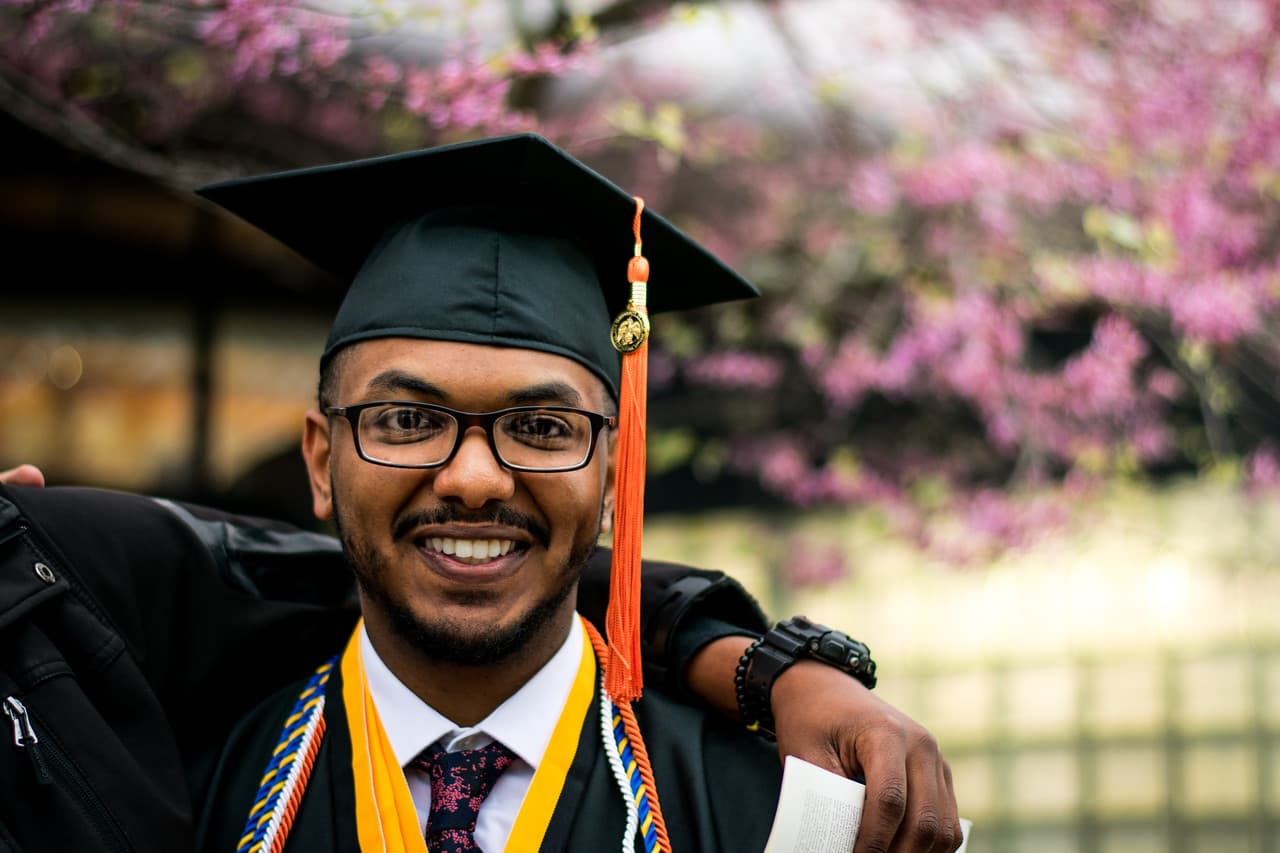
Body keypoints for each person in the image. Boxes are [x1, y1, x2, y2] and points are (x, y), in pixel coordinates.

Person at [0, 135, 960, 852]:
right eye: (406, 419)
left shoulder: (787, 822)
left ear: (613, 475)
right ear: (322, 462)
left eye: (542, 428)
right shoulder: (187, 800)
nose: (471, 478)